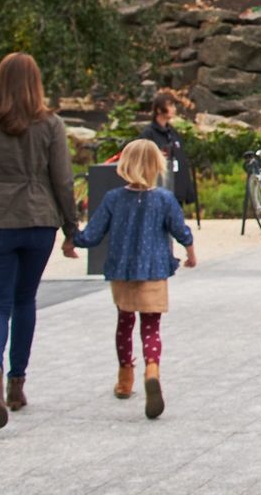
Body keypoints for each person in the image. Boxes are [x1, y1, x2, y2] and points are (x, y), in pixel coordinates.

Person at [0, 52, 81, 430]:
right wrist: (71, 228)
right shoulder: (51, 124)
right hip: (38, 220)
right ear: (36, 83)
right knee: (25, 299)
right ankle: (16, 383)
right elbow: (62, 179)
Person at [70, 139, 197, 420]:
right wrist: (190, 251)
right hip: (154, 269)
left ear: (124, 166)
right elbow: (179, 228)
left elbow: (93, 234)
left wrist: (72, 241)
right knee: (151, 326)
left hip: (123, 271)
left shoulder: (114, 199)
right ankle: (152, 369)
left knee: (125, 324)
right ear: (157, 166)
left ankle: (125, 378)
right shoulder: (164, 199)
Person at [137, 90, 196, 215]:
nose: (174, 109)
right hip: (157, 185)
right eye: (170, 105)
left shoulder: (173, 133)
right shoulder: (148, 133)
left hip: (176, 183)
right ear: (159, 110)